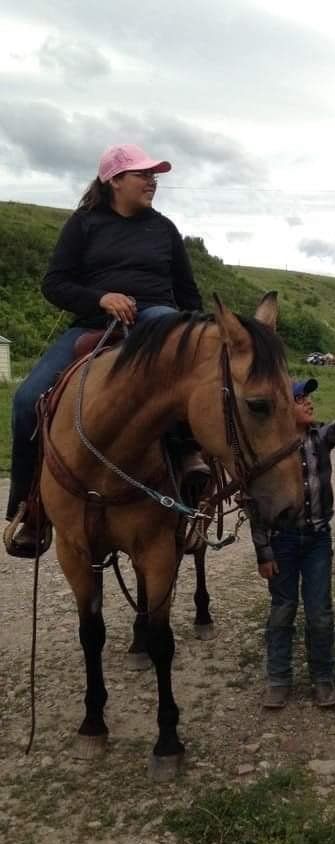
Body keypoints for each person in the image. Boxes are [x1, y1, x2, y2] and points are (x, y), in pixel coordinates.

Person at [4, 143, 204, 557]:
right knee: (26, 400)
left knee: (184, 386)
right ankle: (30, 508)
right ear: (114, 180)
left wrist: (190, 333)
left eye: (155, 176)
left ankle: (190, 472)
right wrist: (101, 298)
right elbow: (54, 283)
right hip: (95, 323)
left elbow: (188, 295)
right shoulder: (84, 224)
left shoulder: (164, 228)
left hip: (157, 320)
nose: (152, 181)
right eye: (142, 175)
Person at [253, 352, 335, 709]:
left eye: (308, 396)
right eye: (299, 398)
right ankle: (278, 679)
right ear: (283, 410)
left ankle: (323, 679)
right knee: (282, 610)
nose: (308, 401)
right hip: (283, 542)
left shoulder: (321, 437)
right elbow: (256, 502)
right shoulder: (271, 451)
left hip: (318, 540)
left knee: (320, 612)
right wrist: (264, 551)